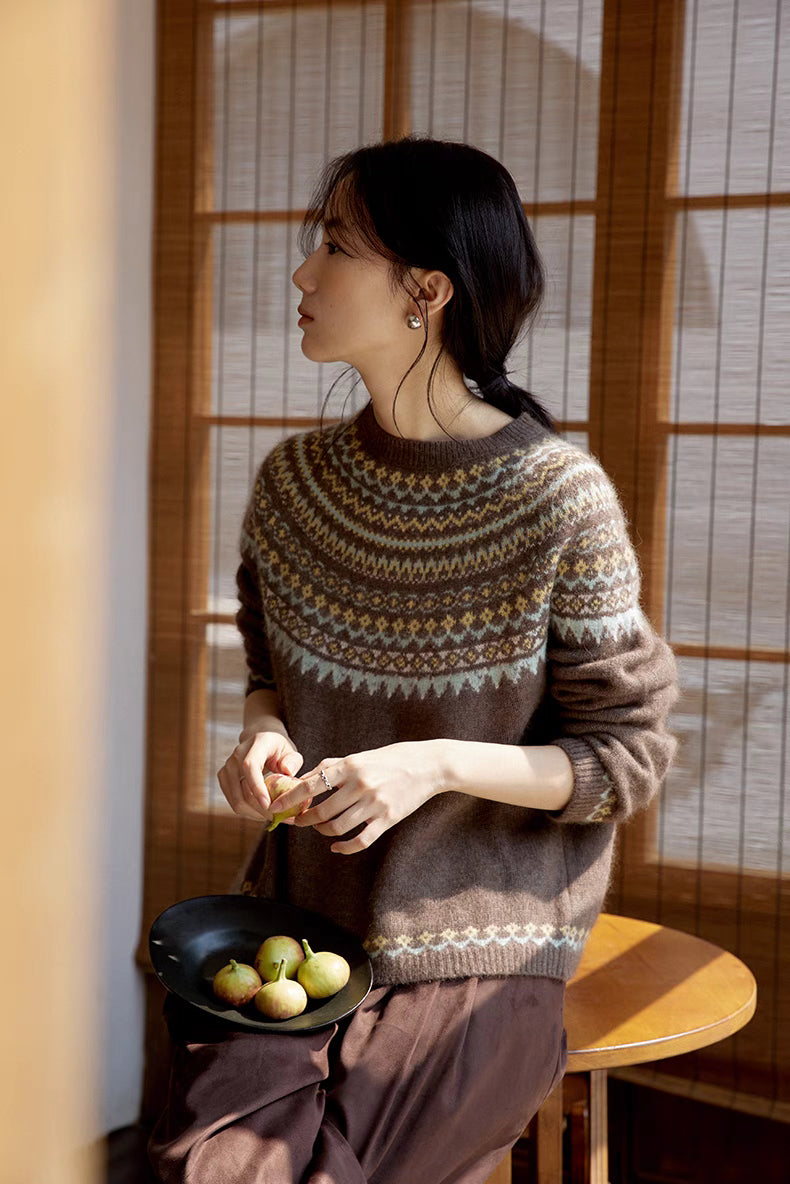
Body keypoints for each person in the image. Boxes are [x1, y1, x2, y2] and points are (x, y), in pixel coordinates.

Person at [148, 136, 678, 1184]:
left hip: (479, 951)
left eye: (335, 246)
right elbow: (268, 671)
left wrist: (430, 763)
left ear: (423, 291)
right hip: (297, 930)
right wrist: (262, 731)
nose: (302, 274)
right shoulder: (295, 484)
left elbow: (626, 759)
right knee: (208, 1168)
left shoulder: (554, 499)